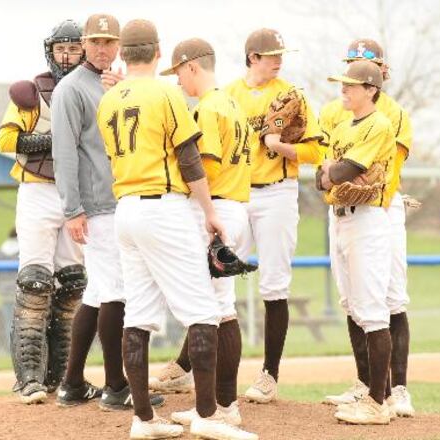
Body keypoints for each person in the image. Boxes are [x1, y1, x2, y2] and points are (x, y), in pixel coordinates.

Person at [97, 20, 257, 440]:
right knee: (204, 312)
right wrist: (207, 210)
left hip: (125, 210)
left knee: (139, 316)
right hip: (164, 208)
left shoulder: (108, 99)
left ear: (121, 54)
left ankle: (144, 420)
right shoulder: (168, 93)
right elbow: (189, 158)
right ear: (156, 51)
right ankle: (207, 414)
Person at [51, 13, 163, 411]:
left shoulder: (114, 85)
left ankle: (72, 383)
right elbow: (62, 152)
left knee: (98, 294)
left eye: (108, 41)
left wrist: (124, 89)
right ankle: (117, 387)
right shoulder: (71, 89)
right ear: (83, 42)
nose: (102, 48)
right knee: (116, 291)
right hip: (97, 206)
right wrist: (72, 209)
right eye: (95, 41)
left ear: (119, 46)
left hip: (117, 200)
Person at [153, 38, 254, 428]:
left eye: (178, 71)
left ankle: (218, 407)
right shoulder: (232, 103)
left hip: (217, 210)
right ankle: (223, 405)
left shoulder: (210, 108)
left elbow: (203, 168)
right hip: (235, 206)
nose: (178, 80)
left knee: (211, 311)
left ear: (193, 66)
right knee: (220, 307)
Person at [224, 28, 323, 403]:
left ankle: (269, 375)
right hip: (236, 193)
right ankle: (187, 365)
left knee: (274, 284)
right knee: (215, 273)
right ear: (252, 57)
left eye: (281, 53)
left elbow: (317, 148)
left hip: (277, 194)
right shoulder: (228, 95)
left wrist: (283, 146)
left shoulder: (290, 95)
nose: (278, 59)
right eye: (271, 54)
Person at [0, 19, 91, 404]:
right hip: (38, 191)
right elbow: (6, 139)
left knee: (71, 285)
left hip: (77, 195)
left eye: (73, 49)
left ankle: (63, 376)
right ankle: (29, 378)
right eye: (60, 50)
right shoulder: (34, 92)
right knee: (35, 282)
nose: (66, 56)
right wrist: (58, 140)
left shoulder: (96, 88)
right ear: (50, 52)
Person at [320, 39, 415, 417]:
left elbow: (381, 173)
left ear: (379, 74)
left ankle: (397, 390)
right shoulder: (335, 112)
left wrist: (347, 179)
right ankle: (368, 385)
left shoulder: (392, 115)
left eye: (363, 64)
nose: (352, 71)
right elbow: (324, 166)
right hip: (340, 210)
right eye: (351, 63)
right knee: (352, 299)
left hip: (382, 207)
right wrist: (331, 176)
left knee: (390, 298)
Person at [0, 228, 19, 336]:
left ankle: (10, 348)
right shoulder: (22, 251)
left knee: (9, 323)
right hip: (19, 292)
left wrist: (0, 285)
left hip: (4, 292)